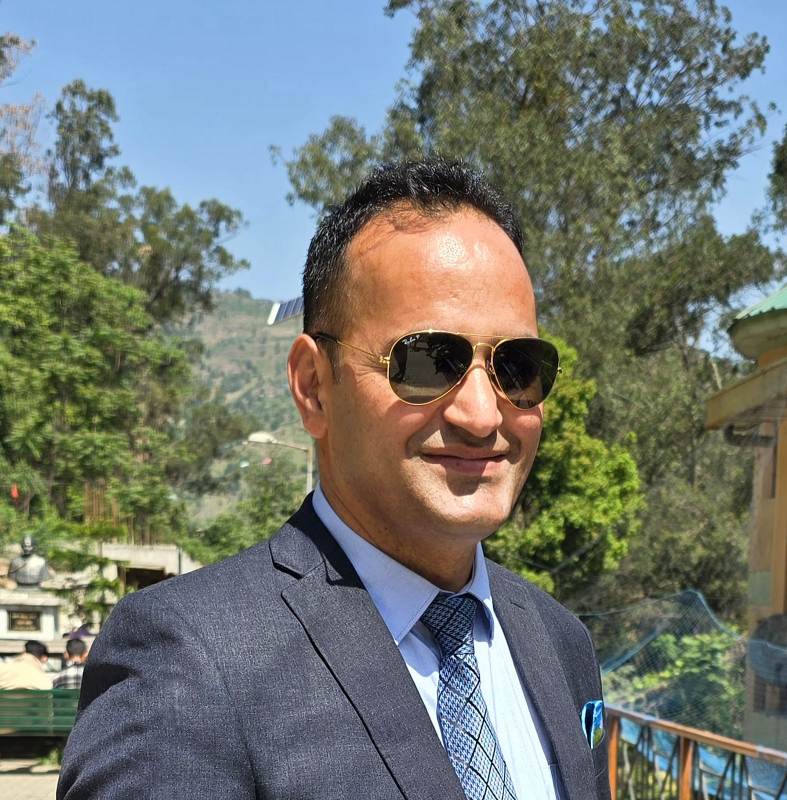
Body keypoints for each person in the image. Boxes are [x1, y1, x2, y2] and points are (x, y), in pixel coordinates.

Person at [58, 159, 610, 800]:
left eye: (516, 366)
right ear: (314, 386)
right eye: (429, 362)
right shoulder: (188, 662)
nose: (482, 415)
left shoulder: (561, 643)